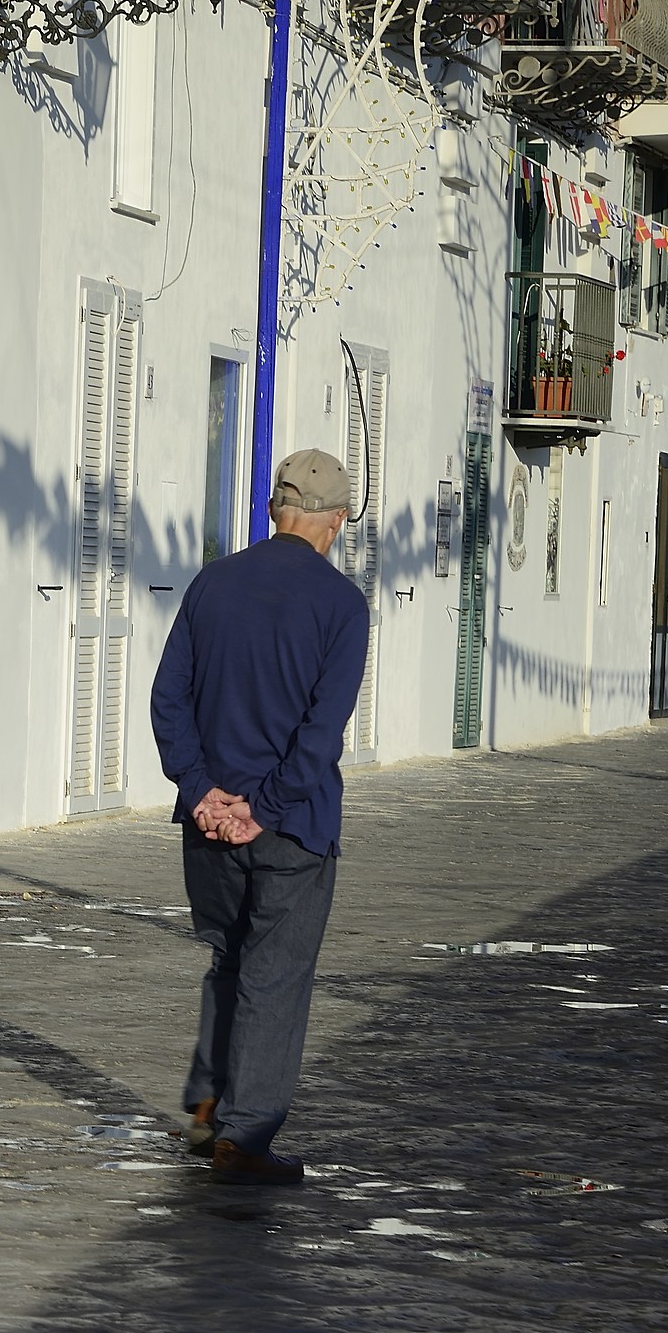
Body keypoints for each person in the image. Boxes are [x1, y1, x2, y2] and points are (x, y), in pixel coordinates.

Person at [149, 449, 370, 1186]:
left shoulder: (214, 582)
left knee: (228, 960)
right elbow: (321, 731)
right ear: (336, 521)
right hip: (292, 826)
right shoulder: (340, 605)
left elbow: (168, 700)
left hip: (207, 824)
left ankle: (208, 1109)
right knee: (274, 976)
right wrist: (264, 809)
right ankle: (242, 1140)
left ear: (275, 511)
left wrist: (202, 790)